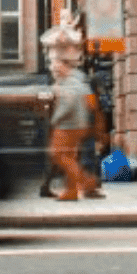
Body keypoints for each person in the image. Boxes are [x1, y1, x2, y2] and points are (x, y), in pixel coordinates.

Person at [47, 52, 101, 203]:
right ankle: (71, 191)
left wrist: (55, 120)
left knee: (57, 154)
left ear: (66, 66)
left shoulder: (70, 82)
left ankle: (87, 182)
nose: (55, 68)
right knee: (69, 157)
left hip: (68, 125)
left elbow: (68, 104)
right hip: (77, 124)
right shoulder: (76, 80)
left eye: (57, 65)